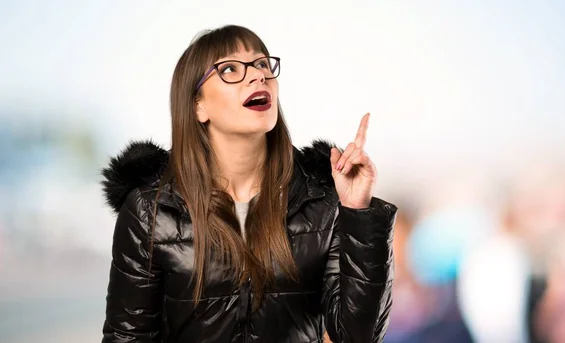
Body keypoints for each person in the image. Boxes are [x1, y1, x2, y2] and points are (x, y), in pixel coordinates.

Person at [100, 25, 397, 343]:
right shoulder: (152, 209)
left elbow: (358, 335)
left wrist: (358, 212)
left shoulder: (323, 200)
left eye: (261, 64)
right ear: (198, 105)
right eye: (229, 69)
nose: (258, 76)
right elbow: (127, 337)